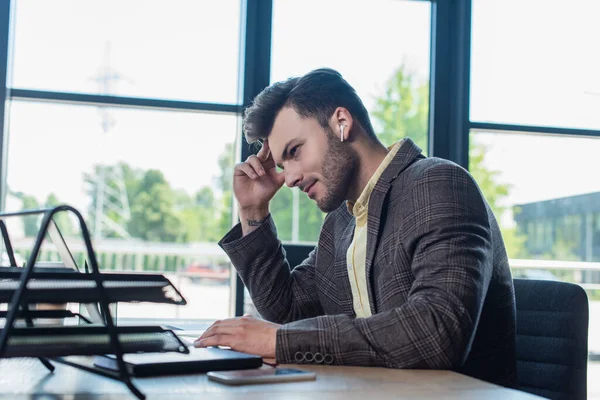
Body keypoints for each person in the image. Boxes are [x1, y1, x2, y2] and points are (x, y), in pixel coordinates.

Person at [194, 68, 517, 387]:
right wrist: (253, 211)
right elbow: (287, 310)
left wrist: (280, 341)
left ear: (342, 123)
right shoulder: (342, 221)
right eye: (282, 164)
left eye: (294, 152)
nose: (289, 178)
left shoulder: (437, 183)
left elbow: (435, 332)